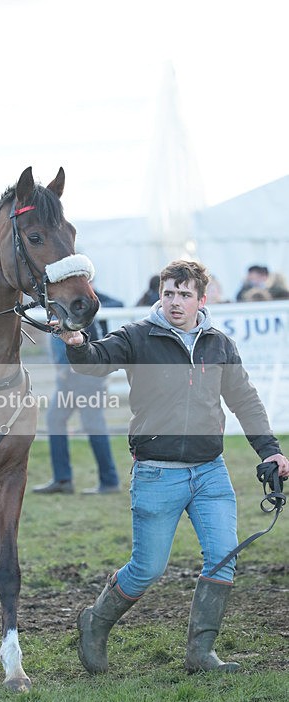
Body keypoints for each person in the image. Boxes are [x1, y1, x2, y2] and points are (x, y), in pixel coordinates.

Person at [57, 259, 289, 675]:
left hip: (210, 472)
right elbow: (93, 361)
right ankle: (95, 621)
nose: (175, 302)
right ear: (159, 295)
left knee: (223, 557)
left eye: (184, 294)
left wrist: (270, 451)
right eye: (168, 293)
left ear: (202, 298)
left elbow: (245, 401)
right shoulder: (137, 337)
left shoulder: (219, 344)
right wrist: (75, 340)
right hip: (156, 472)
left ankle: (200, 654)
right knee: (147, 569)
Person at [32, 311, 121, 496]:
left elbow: (88, 341)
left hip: (83, 378)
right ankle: (63, 479)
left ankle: (109, 481)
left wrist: (67, 369)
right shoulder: (64, 307)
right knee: (56, 420)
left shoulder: (77, 308)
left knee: (92, 424)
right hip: (70, 380)